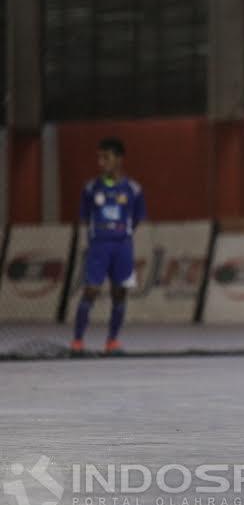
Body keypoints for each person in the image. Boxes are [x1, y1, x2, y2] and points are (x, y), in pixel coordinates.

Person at [72, 138, 146, 356]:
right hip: (99, 246)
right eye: (99, 157)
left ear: (119, 159)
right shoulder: (91, 188)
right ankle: (77, 341)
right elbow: (85, 217)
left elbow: (138, 217)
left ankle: (112, 341)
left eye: (106, 157)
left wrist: (123, 232)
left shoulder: (133, 188)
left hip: (123, 245)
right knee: (91, 291)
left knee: (119, 293)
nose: (101, 162)